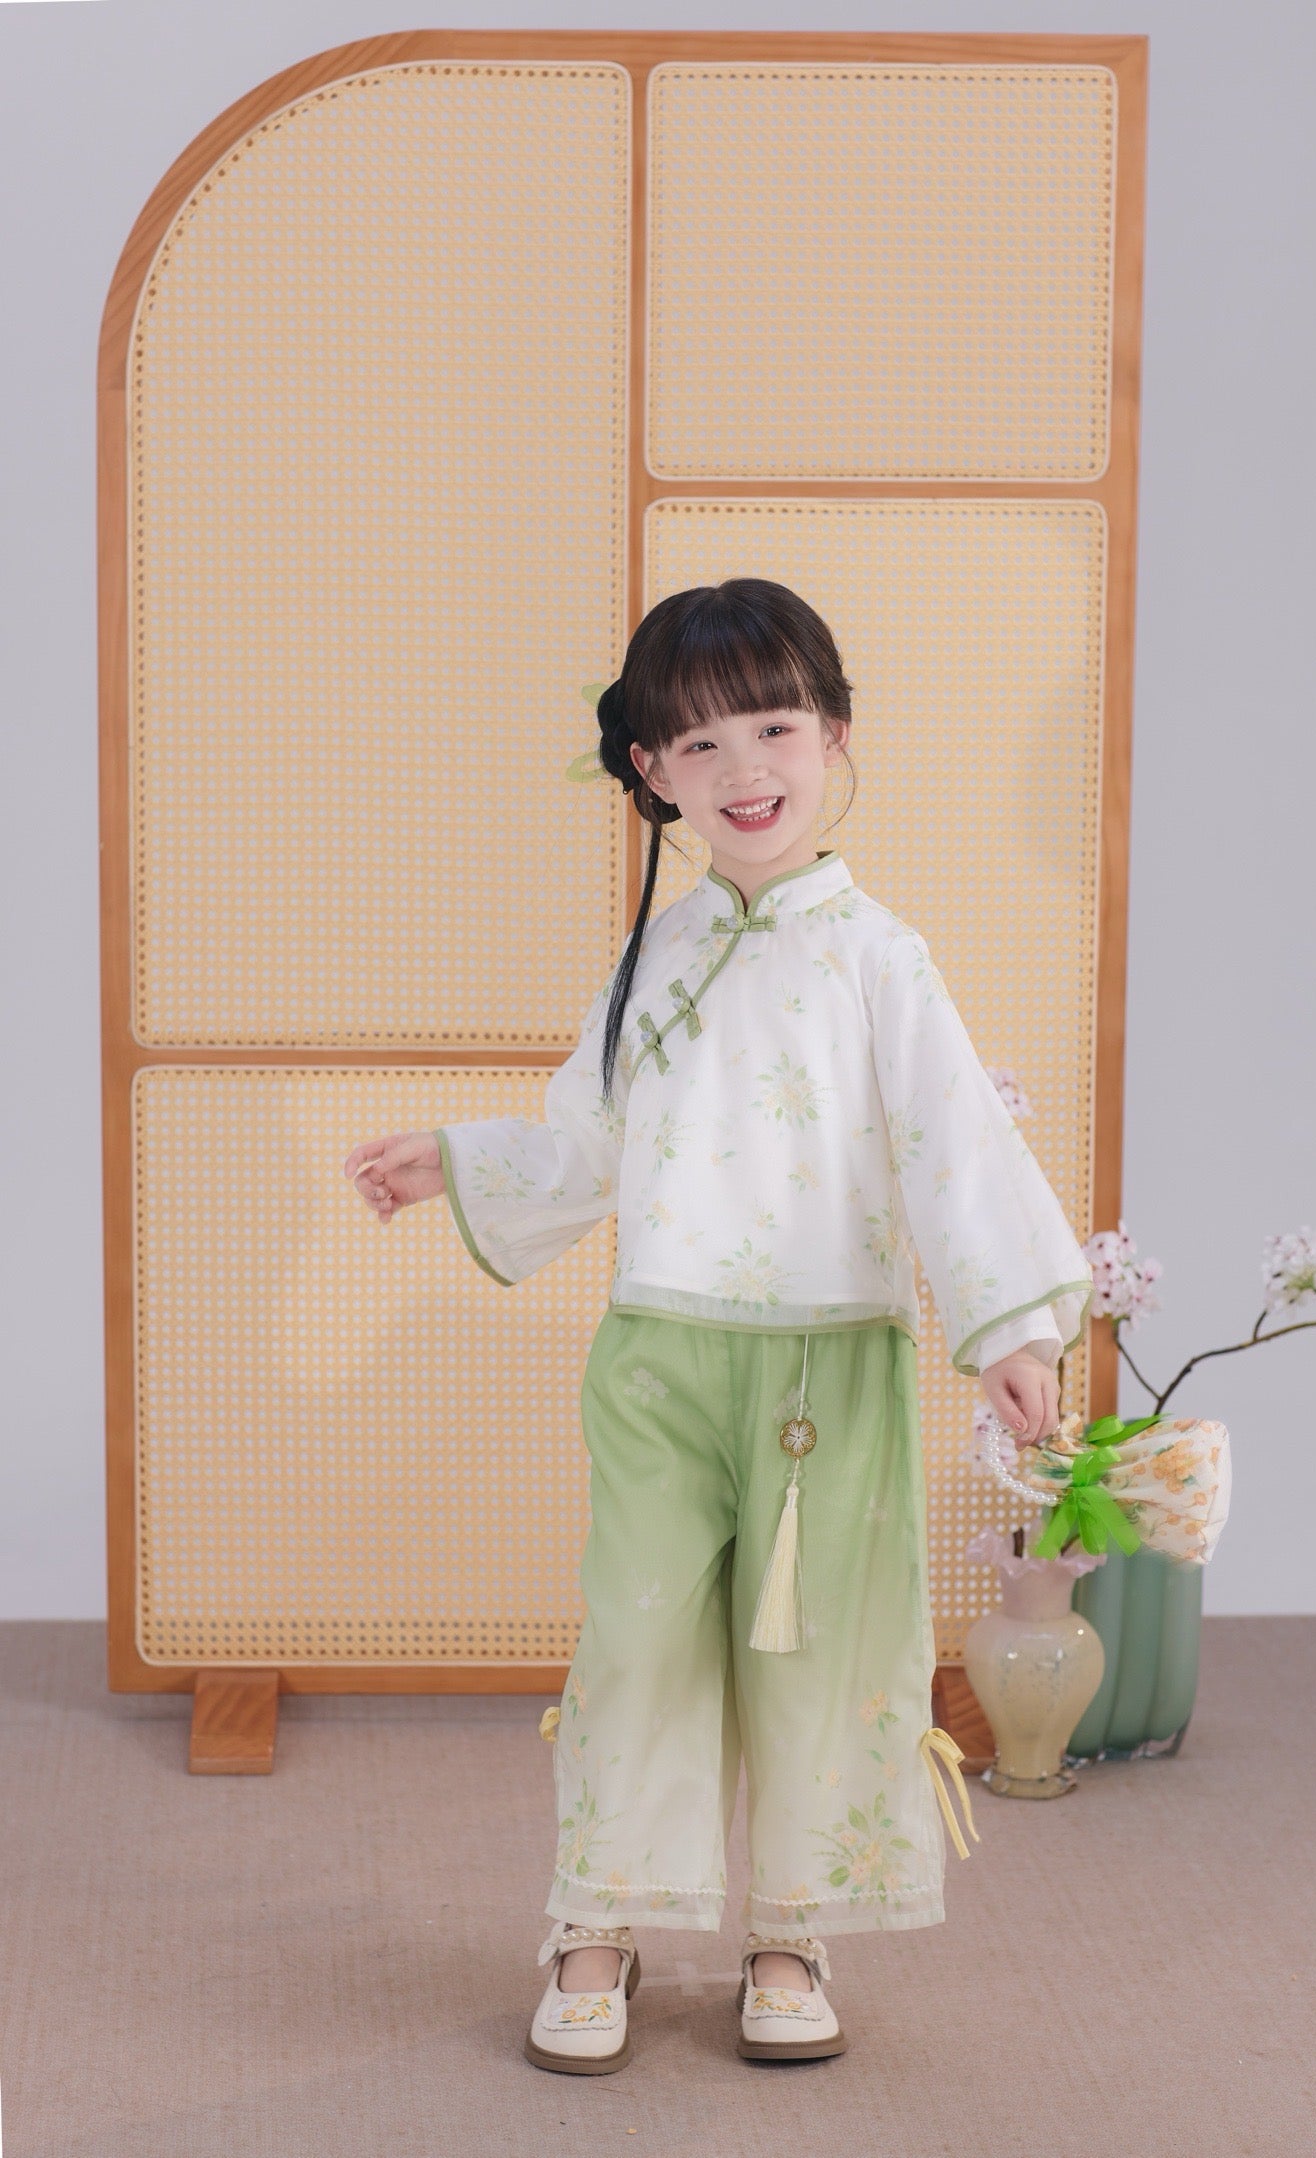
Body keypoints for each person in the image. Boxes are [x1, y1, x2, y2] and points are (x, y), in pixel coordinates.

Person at [341, 578, 1094, 2074]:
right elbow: (588, 1132)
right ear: (649, 774)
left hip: (833, 1371)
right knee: (636, 1642)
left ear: (833, 733)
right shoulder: (658, 957)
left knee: (817, 1651)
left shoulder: (881, 956)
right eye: (696, 743)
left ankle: (789, 1929)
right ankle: (597, 1922)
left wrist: (1009, 1325)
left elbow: (955, 1142)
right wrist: (458, 1160)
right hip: (664, 1362)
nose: (744, 768)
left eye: (773, 725)